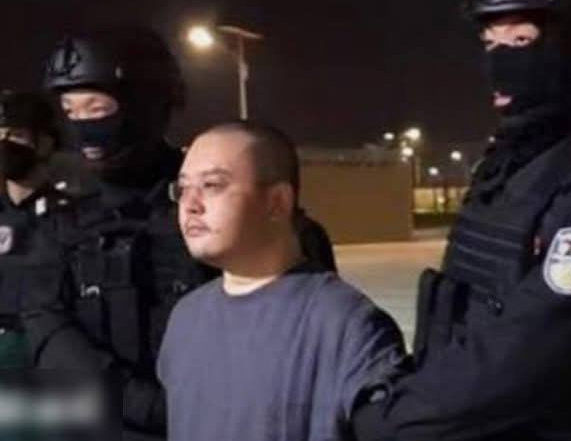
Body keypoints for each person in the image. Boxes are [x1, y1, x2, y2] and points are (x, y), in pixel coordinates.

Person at [353, 0, 571, 440]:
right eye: (490, 43)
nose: (499, 62)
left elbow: (524, 352)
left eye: (521, 40)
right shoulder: (506, 172)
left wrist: (383, 421)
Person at [158, 121, 407, 441]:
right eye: (182, 189)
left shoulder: (346, 324)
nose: (190, 205)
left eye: (212, 185)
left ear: (277, 202)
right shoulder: (186, 318)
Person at [31, 26, 211, 440]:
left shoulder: (212, 204)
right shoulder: (64, 219)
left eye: (95, 108)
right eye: (70, 111)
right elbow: (46, 325)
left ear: (146, 106)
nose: (81, 125)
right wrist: (135, 402)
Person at [0, 90, 70, 369]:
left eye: (15, 135)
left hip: (46, 356)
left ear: (45, 143)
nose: (4, 144)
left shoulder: (70, 216)